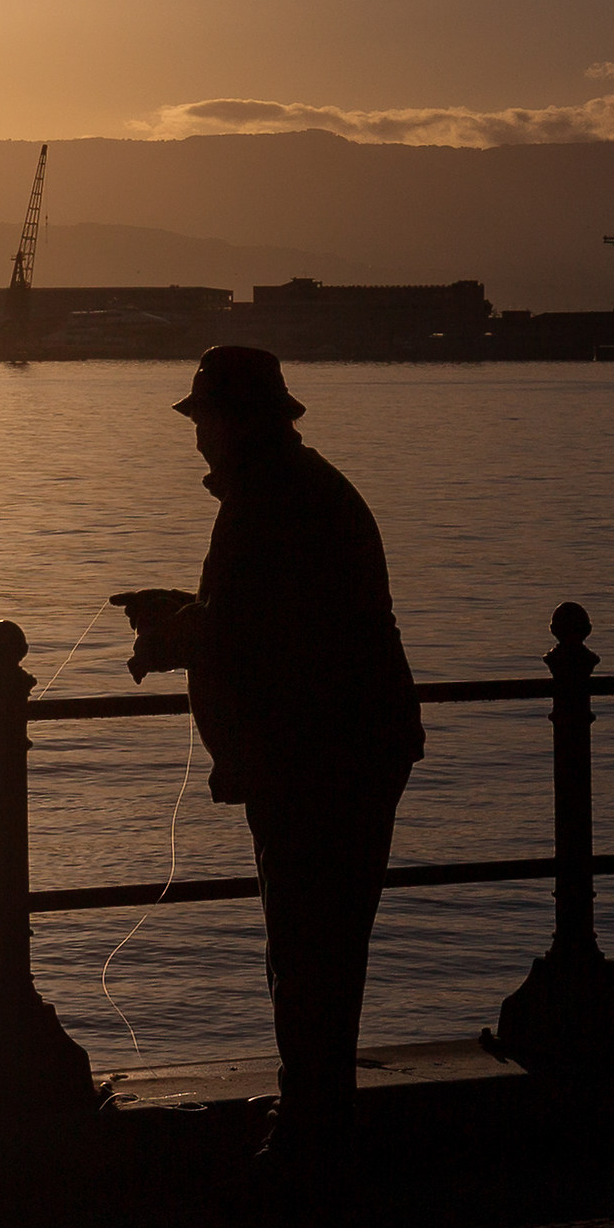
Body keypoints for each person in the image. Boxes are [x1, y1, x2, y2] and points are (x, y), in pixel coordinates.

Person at [113, 346, 422, 1180]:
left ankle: (312, 1142)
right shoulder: (296, 489)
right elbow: (258, 611)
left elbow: (247, 628)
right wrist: (185, 613)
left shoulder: (268, 501)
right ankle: (318, 1118)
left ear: (234, 421)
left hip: (318, 756)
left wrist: (167, 640)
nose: (197, 439)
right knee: (324, 946)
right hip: (345, 745)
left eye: (204, 420)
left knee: (308, 945)